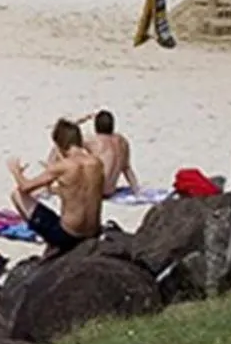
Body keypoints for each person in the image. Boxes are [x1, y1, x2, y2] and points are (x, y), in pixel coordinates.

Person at [8, 120, 106, 258]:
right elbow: (83, 190)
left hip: (69, 235)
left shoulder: (62, 167)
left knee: (17, 195)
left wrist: (16, 172)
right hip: (93, 232)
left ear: (60, 144)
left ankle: (48, 241)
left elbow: (25, 187)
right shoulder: (97, 163)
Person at [68, 110, 140, 197]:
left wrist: (81, 120)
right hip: (110, 191)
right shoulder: (122, 142)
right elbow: (127, 169)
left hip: (95, 190)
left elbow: (67, 137)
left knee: (75, 154)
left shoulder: (94, 141)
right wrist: (136, 189)